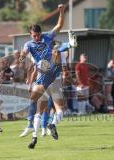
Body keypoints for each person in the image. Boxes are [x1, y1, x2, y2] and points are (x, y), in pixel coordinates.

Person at [19, 4, 66, 149]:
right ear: (30, 34)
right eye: (34, 36)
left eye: (38, 35)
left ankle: (41, 130)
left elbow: (59, 25)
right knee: (47, 109)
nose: (37, 37)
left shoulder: (47, 36)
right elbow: (23, 55)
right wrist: (22, 58)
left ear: (40, 33)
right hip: (47, 77)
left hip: (50, 76)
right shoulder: (28, 44)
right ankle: (38, 134)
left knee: (47, 108)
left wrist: (61, 12)